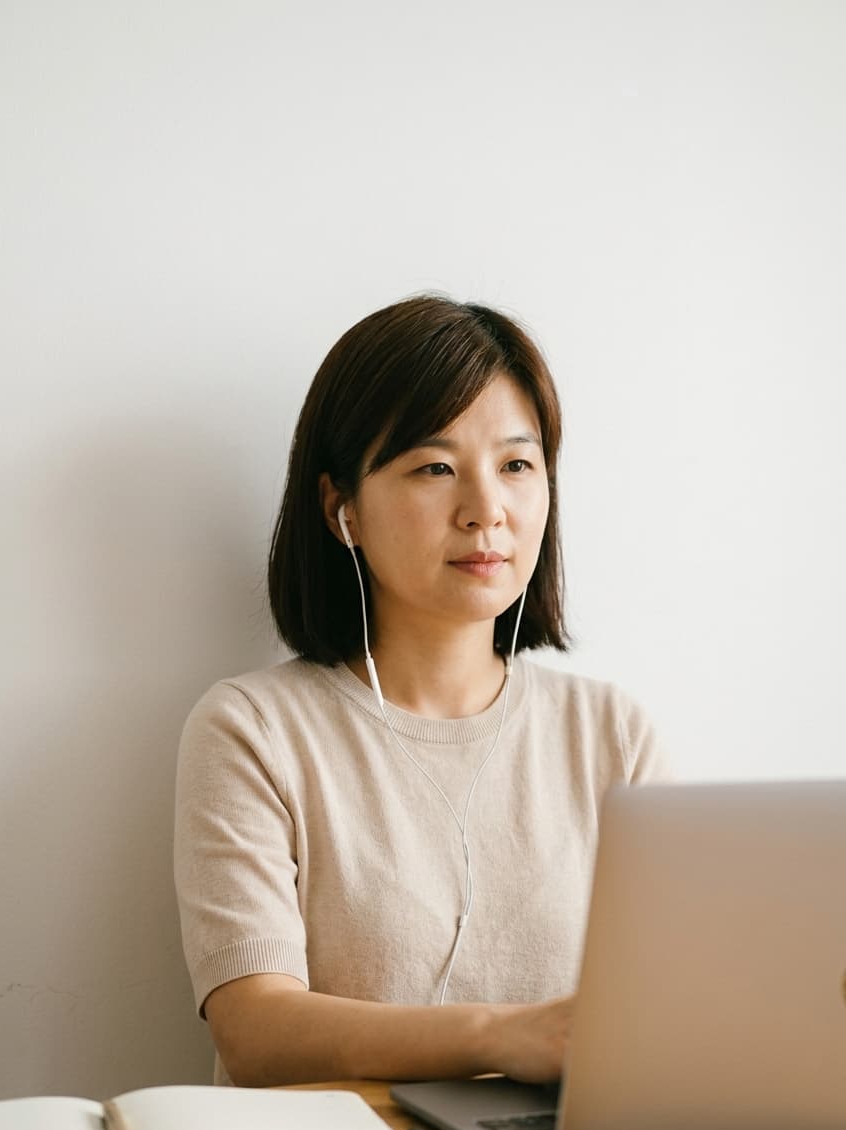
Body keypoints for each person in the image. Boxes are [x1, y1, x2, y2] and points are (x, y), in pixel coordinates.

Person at [174, 294, 671, 1088]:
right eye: (435, 468)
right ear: (342, 510)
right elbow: (254, 1031)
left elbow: (672, 1007)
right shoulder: (253, 730)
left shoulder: (612, 734)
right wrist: (500, 1036)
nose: (486, 511)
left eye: (516, 466)